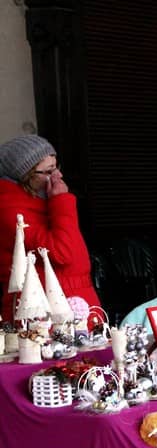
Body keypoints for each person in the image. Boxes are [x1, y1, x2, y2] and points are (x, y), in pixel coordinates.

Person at [0, 134, 101, 320]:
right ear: (25, 176)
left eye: (56, 168)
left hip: (74, 299)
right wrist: (61, 201)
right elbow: (61, 253)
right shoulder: (9, 211)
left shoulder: (42, 200)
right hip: (45, 311)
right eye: (49, 171)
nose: (58, 176)